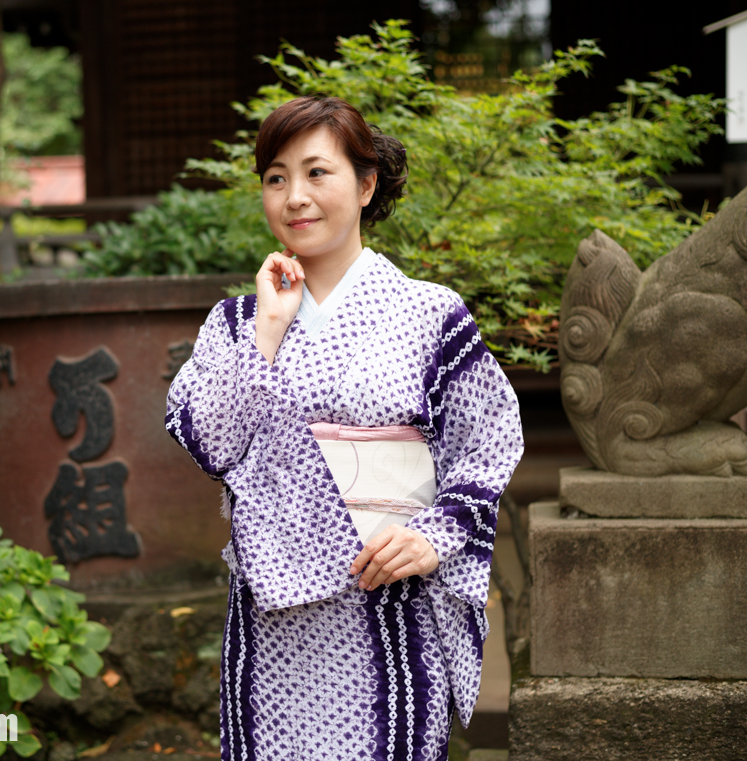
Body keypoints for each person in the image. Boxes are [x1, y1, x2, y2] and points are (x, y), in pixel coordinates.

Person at [165, 95, 523, 761]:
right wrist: (268, 332)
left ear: (365, 184)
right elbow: (207, 441)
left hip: (388, 610)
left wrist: (438, 533)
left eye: (316, 173)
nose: (294, 196)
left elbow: (490, 434)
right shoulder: (238, 322)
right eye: (275, 178)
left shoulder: (429, 312)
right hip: (272, 627)